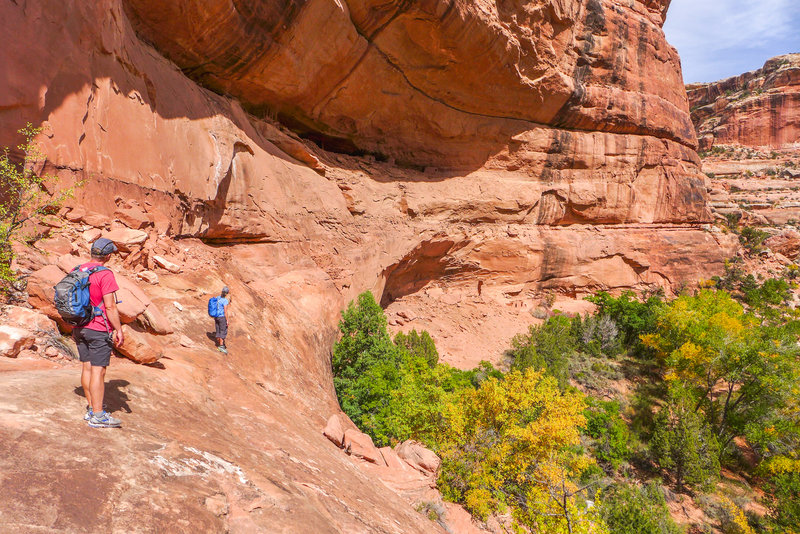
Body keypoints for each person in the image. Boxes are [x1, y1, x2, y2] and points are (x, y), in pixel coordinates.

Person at [74, 238, 124, 428]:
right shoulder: (105, 274)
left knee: (87, 368)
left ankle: (90, 408)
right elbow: (109, 306)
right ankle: (98, 415)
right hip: (98, 327)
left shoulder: (78, 270)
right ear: (108, 256)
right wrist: (118, 329)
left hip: (79, 326)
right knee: (98, 370)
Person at [214, 287, 231, 354]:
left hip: (216, 316)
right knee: (223, 330)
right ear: (226, 293)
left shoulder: (217, 298)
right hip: (222, 317)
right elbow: (225, 311)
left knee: (218, 328)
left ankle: (217, 342)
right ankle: (221, 346)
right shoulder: (225, 301)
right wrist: (227, 320)